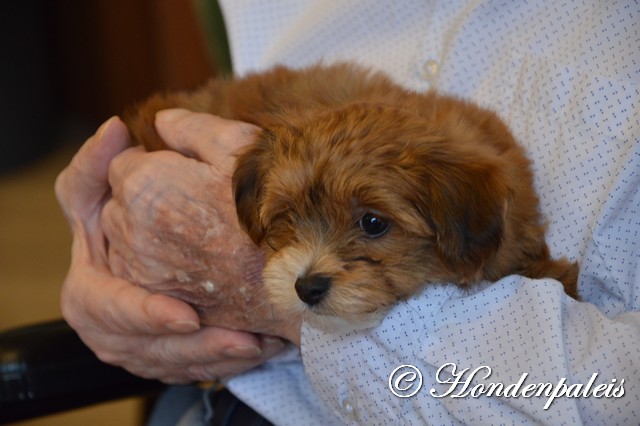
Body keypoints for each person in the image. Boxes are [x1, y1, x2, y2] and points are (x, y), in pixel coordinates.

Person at [55, 1, 639, 424]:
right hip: (225, 393)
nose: (309, 270)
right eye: (285, 220)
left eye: (373, 224)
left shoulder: (476, 191)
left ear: (464, 226)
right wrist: (95, 253)